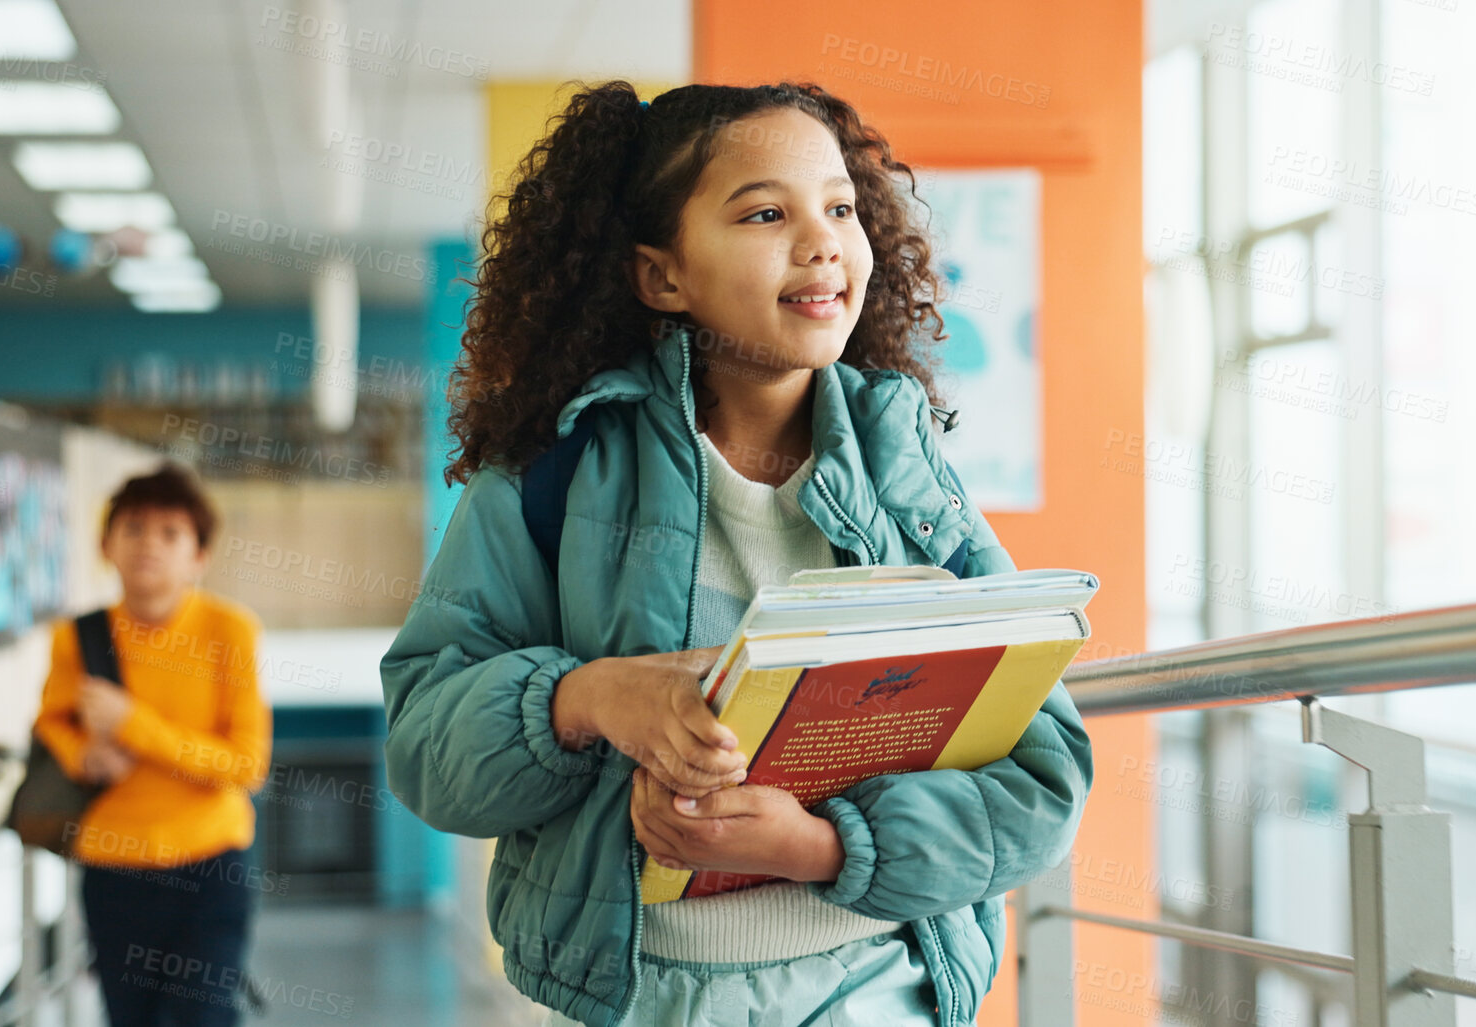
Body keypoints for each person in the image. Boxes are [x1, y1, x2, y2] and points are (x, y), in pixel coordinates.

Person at [380, 81, 1091, 1027]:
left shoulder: (909, 478)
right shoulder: (550, 475)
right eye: (766, 212)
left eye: (839, 207)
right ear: (660, 276)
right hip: (638, 1000)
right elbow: (426, 746)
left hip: (881, 992)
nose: (822, 240)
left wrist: (821, 847)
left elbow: (1045, 779)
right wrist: (588, 698)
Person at [32, 463, 272, 1025]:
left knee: (203, 1016)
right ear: (105, 544)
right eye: (134, 528)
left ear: (199, 555)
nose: (149, 546)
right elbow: (52, 722)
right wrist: (84, 755)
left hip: (210, 867)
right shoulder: (80, 636)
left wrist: (134, 725)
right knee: (129, 1017)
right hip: (113, 868)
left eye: (171, 533)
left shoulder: (229, 631)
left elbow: (246, 764)